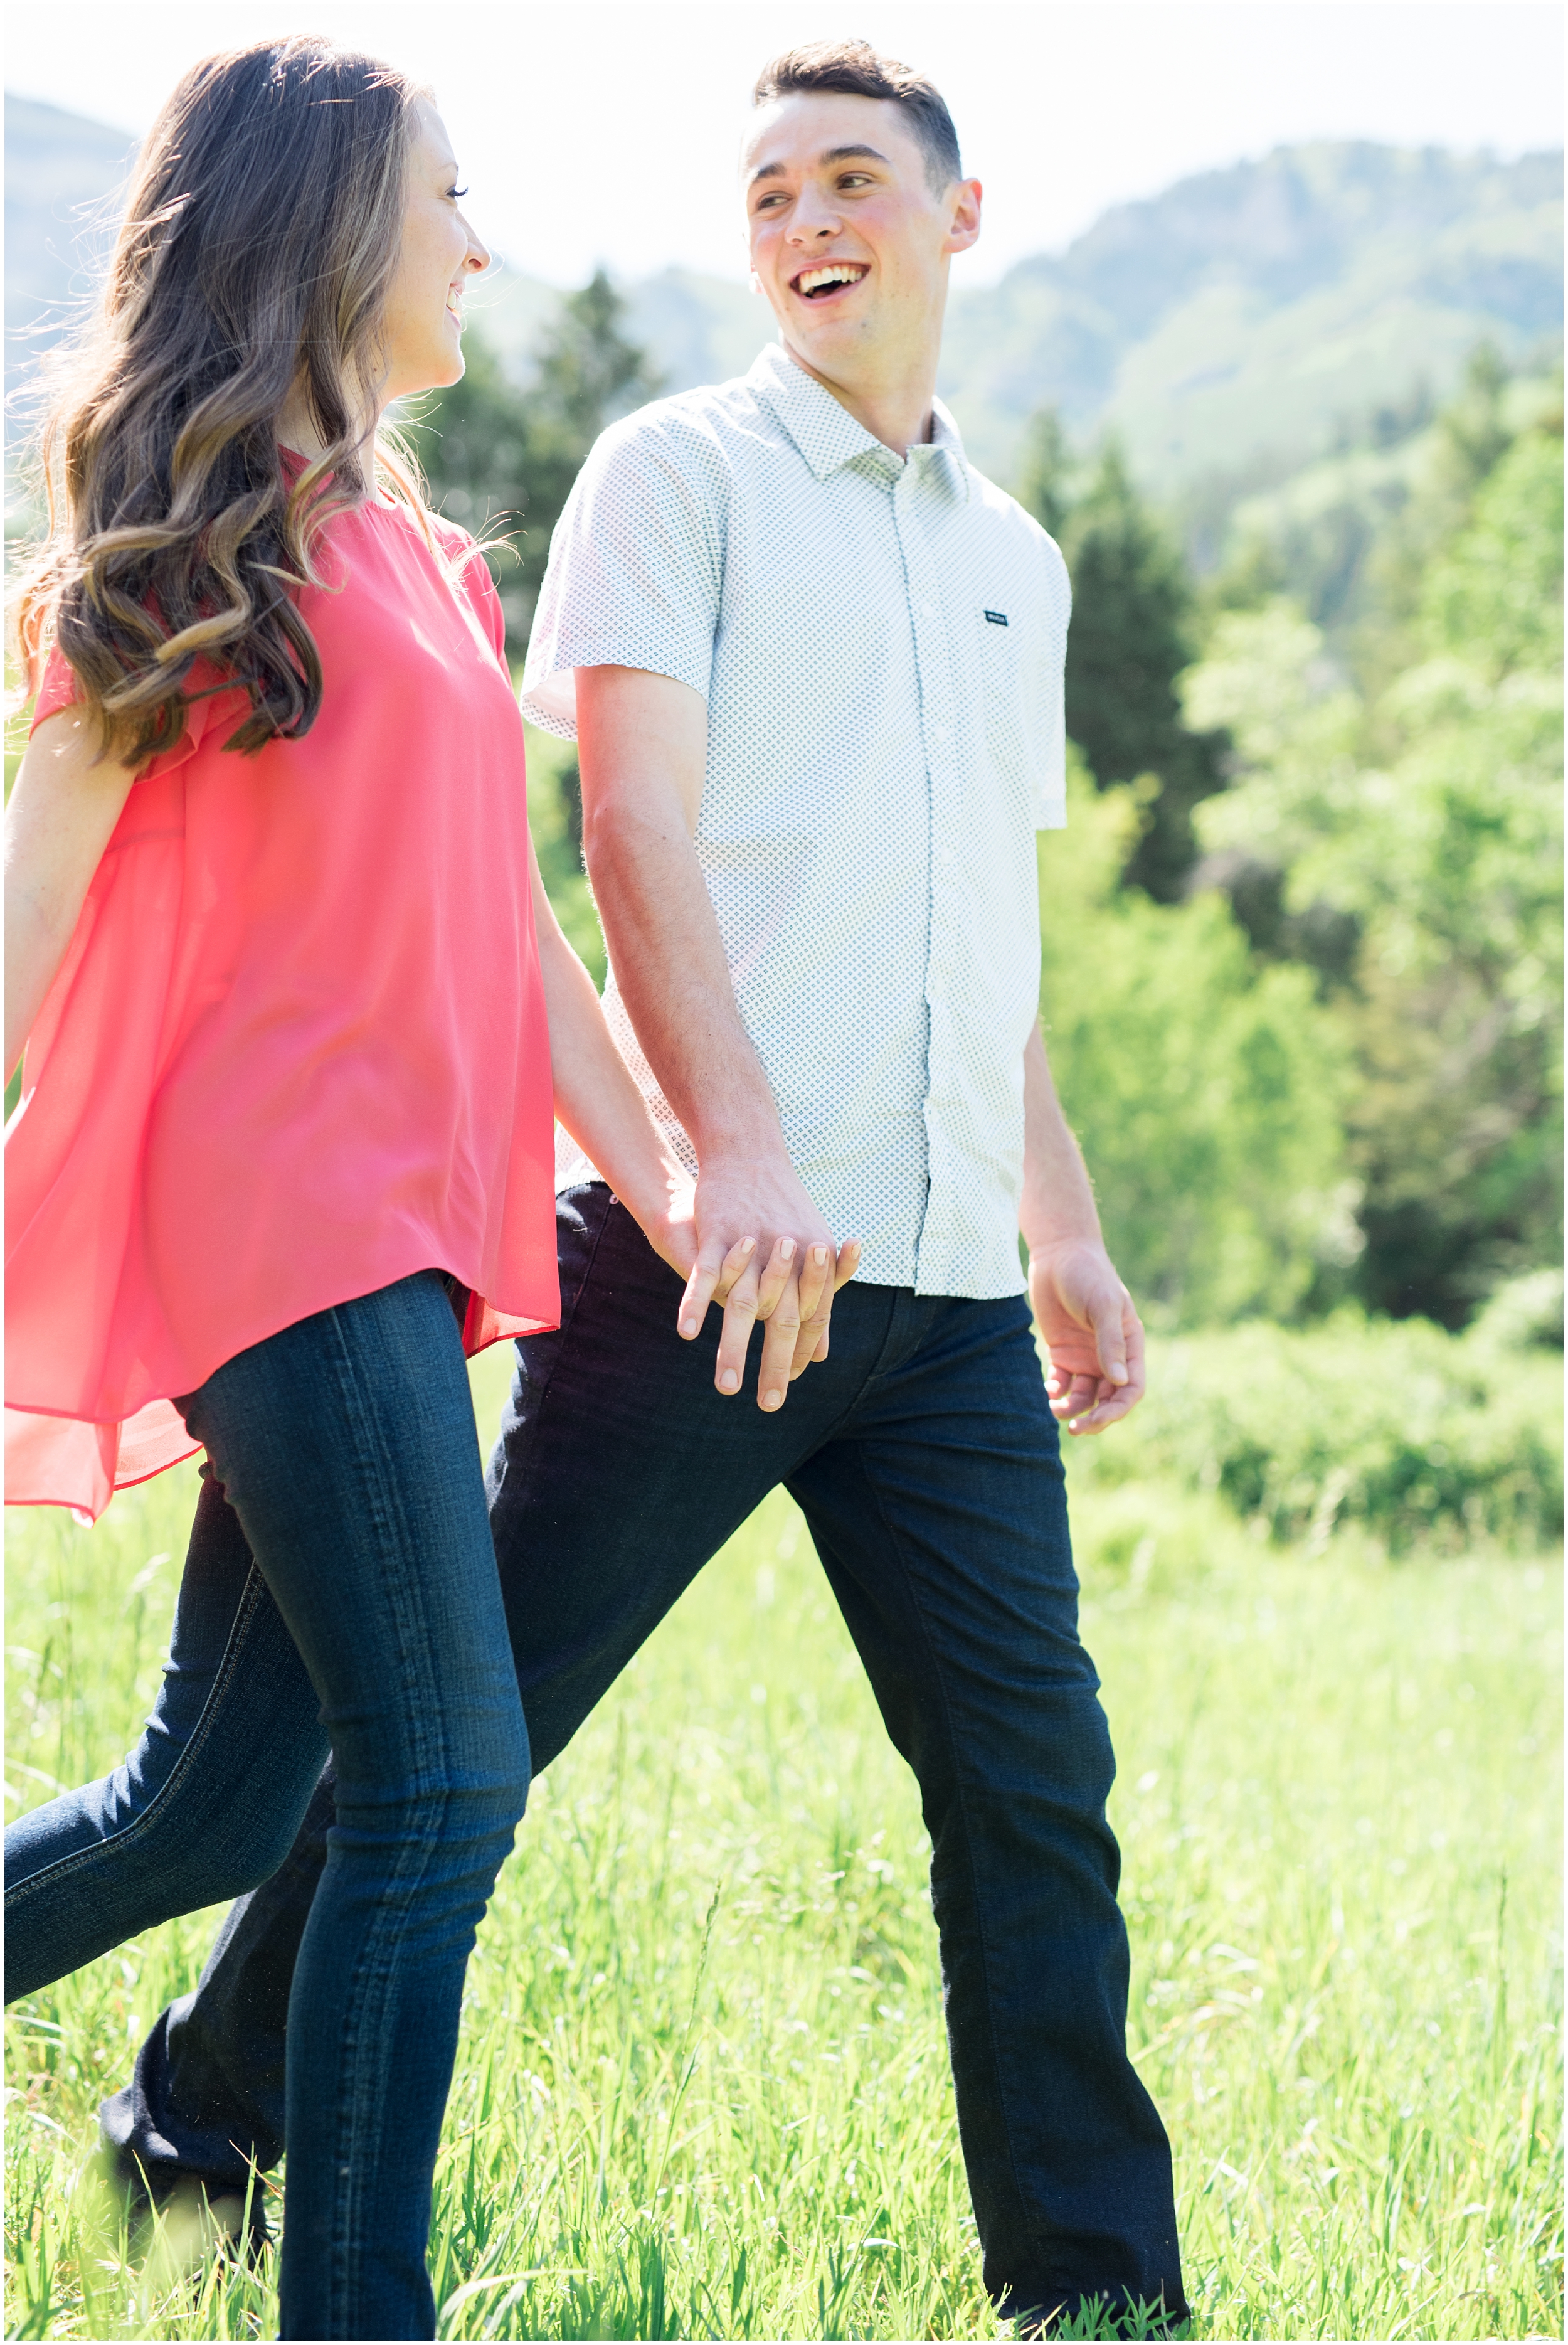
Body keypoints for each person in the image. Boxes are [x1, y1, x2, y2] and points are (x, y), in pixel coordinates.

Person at [88, 38, 1189, 2338]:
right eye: (771, 181)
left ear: (955, 220)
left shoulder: (1017, 561)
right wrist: (720, 1159)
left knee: (1033, 1789)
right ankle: (207, 2100)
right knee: (458, 1746)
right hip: (704, 1265)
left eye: (856, 178)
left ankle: (1097, 2297)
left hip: (949, 1287)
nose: (811, 216)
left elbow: (978, 928)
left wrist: (1058, 1211)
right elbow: (621, 837)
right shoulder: (669, 475)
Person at [3, 37, 810, 2341]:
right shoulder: (180, 556)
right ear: (337, 223)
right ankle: (361, 2312)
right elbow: (25, 927)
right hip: (283, 1225)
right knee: (446, 1779)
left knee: (209, 1809)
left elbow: (511, 926)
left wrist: (666, 1185)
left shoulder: (429, 557)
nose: (483, 239)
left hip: (398, 1238)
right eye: (451, 194)